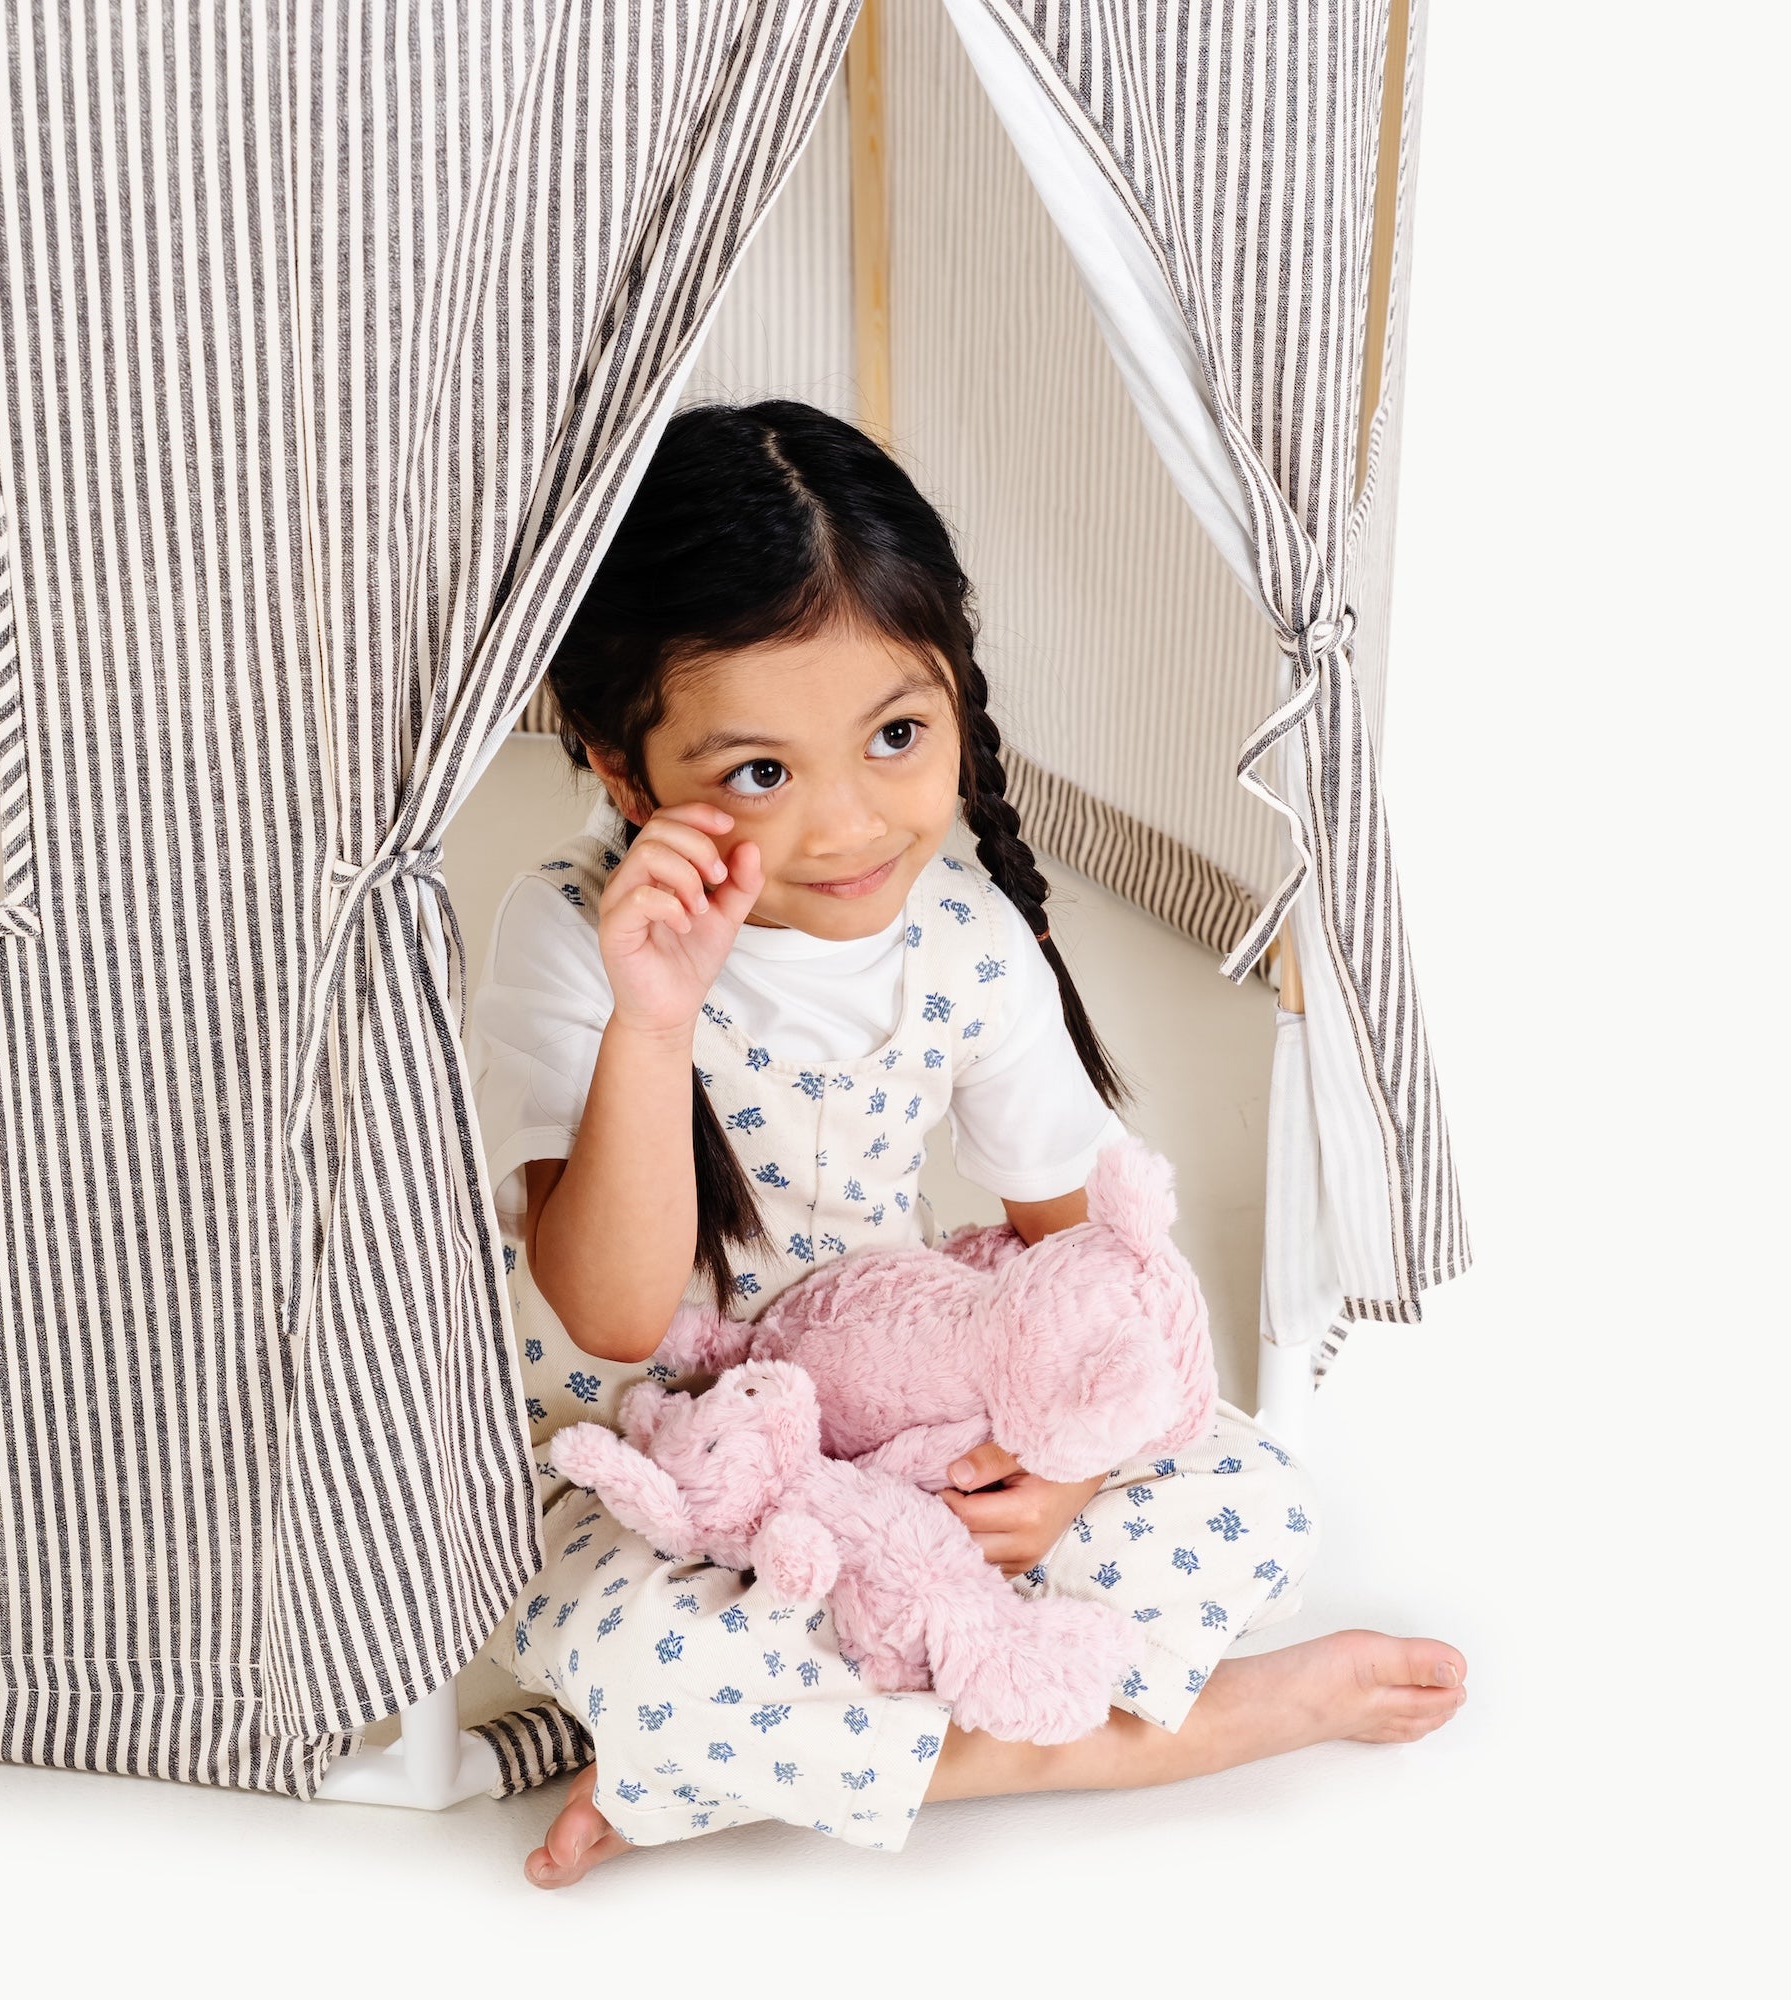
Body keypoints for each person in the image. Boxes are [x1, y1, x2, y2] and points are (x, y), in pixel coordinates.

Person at [466, 400, 1466, 1889]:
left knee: (1254, 1505)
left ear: (955, 699)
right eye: (759, 773)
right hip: (646, 1461)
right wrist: (655, 1016)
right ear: (626, 774)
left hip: (887, 1414)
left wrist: (1061, 1472)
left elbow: (1087, 1259)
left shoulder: (966, 937)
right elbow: (611, 1318)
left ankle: (732, 1774)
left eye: (895, 734)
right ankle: (1207, 1727)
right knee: (664, 1658)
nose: (850, 821)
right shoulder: (578, 939)